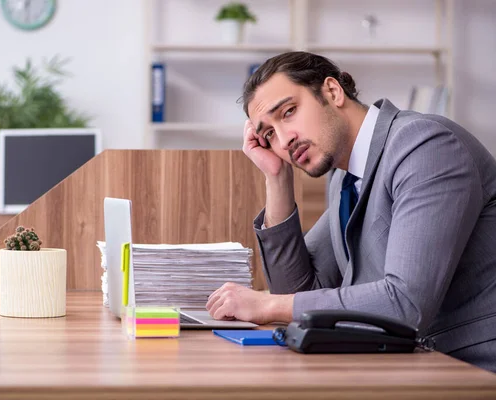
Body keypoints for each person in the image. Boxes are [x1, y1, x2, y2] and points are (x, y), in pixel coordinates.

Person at [205, 51, 496, 372]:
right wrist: (276, 178)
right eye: (269, 134)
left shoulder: (424, 145)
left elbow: (406, 303)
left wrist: (267, 305)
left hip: (470, 369)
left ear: (332, 91)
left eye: (288, 112)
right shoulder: (346, 176)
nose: (284, 140)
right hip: (406, 367)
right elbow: (298, 292)